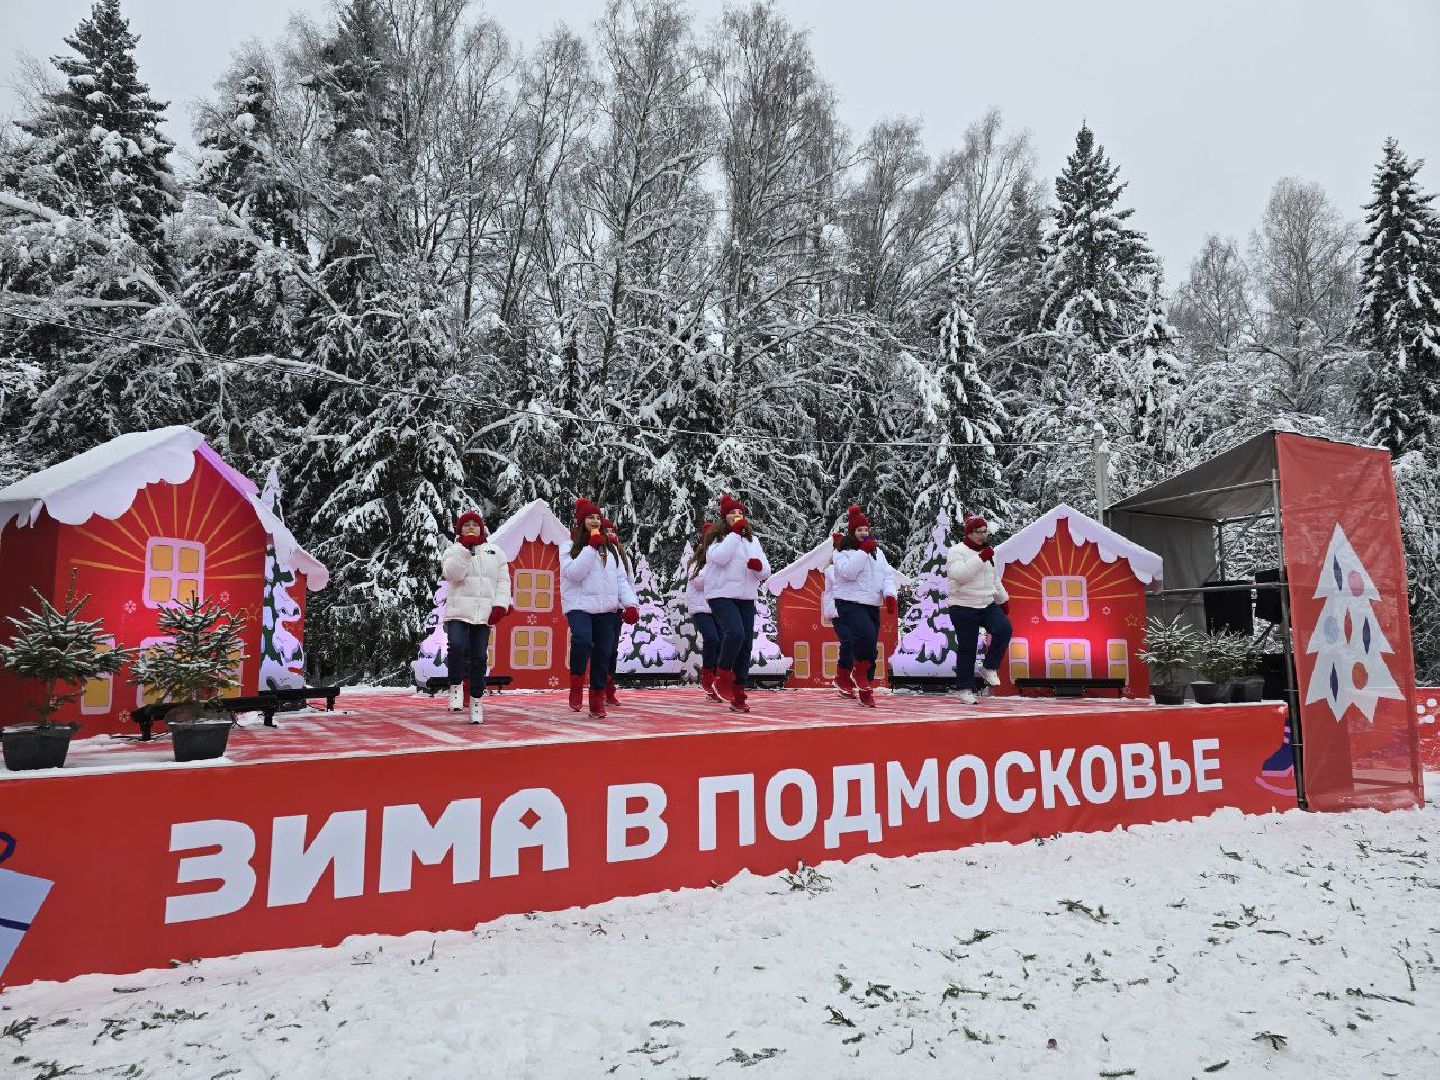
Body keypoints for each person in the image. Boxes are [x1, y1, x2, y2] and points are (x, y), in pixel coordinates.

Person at [560, 498, 638, 718]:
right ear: (581, 521)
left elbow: (621, 580)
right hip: (579, 605)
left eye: (597, 517)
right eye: (590, 517)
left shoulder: (611, 548)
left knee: (604, 653)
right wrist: (591, 548)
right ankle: (576, 684)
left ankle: (596, 698)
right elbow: (574, 574)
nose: (594, 520)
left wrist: (630, 604)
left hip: (606, 608)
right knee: (583, 640)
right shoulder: (568, 547)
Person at [439, 510, 511, 724]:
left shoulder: (495, 552)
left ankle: (477, 700)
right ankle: (455, 686)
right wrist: (464, 550)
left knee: (480, 657)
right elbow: (452, 574)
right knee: (457, 646)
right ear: (459, 530)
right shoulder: (453, 550)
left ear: (482, 528)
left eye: (475, 524)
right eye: (466, 524)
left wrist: (500, 605)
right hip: (458, 611)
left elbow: (503, 581)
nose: (471, 527)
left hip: (483, 613)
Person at [703, 494, 771, 713]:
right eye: (732, 513)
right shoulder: (716, 538)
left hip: (746, 596)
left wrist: (758, 566)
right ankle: (722, 674)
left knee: (745, 646)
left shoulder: (753, 540)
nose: (737, 516)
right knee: (735, 633)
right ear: (725, 517)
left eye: (740, 513)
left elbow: (766, 571)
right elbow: (721, 558)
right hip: (721, 594)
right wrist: (734, 534)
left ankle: (738, 692)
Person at [829, 505, 898, 708]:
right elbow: (848, 573)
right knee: (864, 635)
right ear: (852, 532)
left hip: (871, 603)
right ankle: (857, 673)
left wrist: (890, 594)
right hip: (849, 602)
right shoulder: (842, 553)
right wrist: (863, 552)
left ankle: (865, 686)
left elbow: (886, 576)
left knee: (870, 645)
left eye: (866, 530)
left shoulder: (878, 553)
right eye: (860, 530)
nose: (864, 533)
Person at [945, 512, 1011, 705]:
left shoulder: (987, 552)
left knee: (1004, 629)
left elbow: (994, 578)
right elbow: (959, 575)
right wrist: (981, 558)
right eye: (978, 532)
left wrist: (1003, 599)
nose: (983, 536)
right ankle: (964, 688)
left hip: (986, 603)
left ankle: (989, 667)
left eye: (985, 532)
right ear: (968, 534)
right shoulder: (957, 551)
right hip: (963, 605)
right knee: (968, 647)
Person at [600, 516, 641, 707]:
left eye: (612, 532)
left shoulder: (623, 558)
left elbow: (628, 582)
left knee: (612, 650)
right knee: (602, 649)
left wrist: (630, 605)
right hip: (599, 608)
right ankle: (598, 686)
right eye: (606, 531)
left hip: (616, 609)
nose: (610, 535)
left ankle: (609, 688)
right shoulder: (596, 552)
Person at [682, 522, 723, 700]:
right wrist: (712, 565)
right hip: (699, 606)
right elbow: (698, 582)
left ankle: (717, 679)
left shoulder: (723, 558)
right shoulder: (698, 560)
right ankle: (707, 675)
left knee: (723, 641)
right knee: (712, 637)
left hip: (718, 606)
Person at [822, 532, 851, 698]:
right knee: (847, 641)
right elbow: (842, 581)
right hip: (837, 611)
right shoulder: (831, 569)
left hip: (850, 610)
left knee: (856, 643)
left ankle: (846, 675)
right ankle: (842, 676)